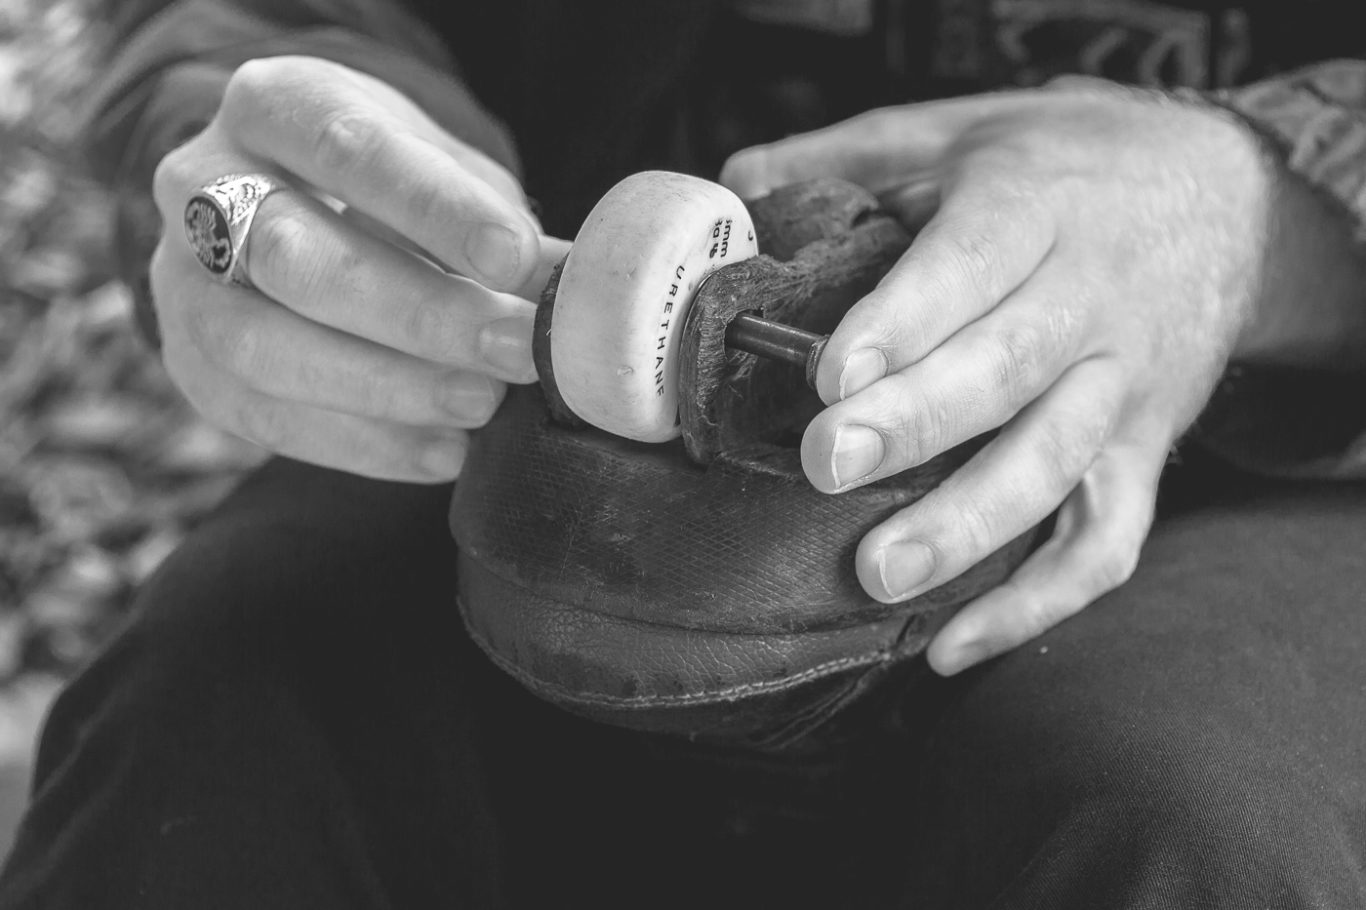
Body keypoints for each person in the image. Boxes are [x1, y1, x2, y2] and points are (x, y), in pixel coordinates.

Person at [2, 0, 1365, 906]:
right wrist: (295, 154)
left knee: (1188, 818)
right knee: (222, 717)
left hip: (1276, 406)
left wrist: (1260, 215)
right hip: (536, 362)